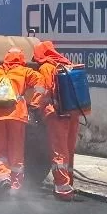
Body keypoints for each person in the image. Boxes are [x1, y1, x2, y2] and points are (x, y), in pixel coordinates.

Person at [0, 47, 43, 196]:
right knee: (16, 151)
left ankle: (3, 177)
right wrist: (35, 103)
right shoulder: (25, 72)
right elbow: (41, 83)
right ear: (21, 59)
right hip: (17, 116)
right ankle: (15, 188)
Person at [33, 40, 83, 201]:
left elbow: (43, 91)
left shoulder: (46, 68)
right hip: (73, 114)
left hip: (57, 115)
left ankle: (62, 188)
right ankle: (69, 184)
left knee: (59, 152)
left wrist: (35, 108)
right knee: (69, 151)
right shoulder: (67, 65)